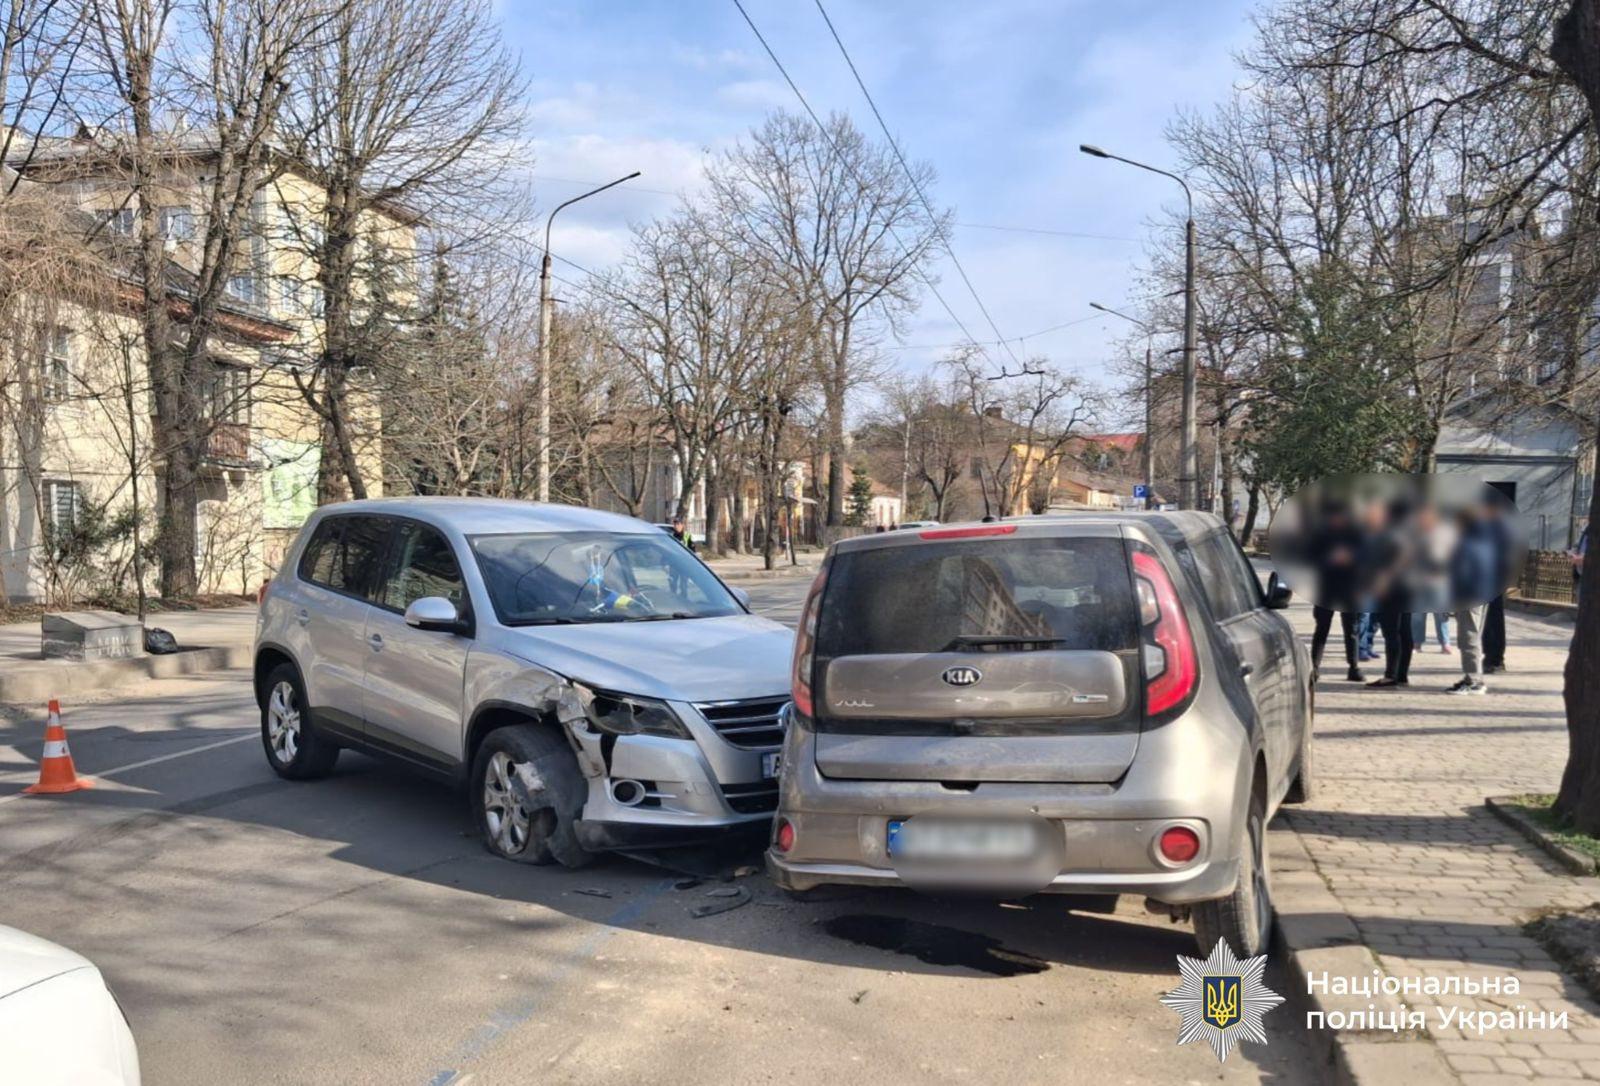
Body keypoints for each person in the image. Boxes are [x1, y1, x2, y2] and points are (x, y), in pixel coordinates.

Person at [1448, 505, 1498, 696]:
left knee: (1468, 637)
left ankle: (1473, 679)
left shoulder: (1468, 544)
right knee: (1472, 636)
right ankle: (1473, 677)